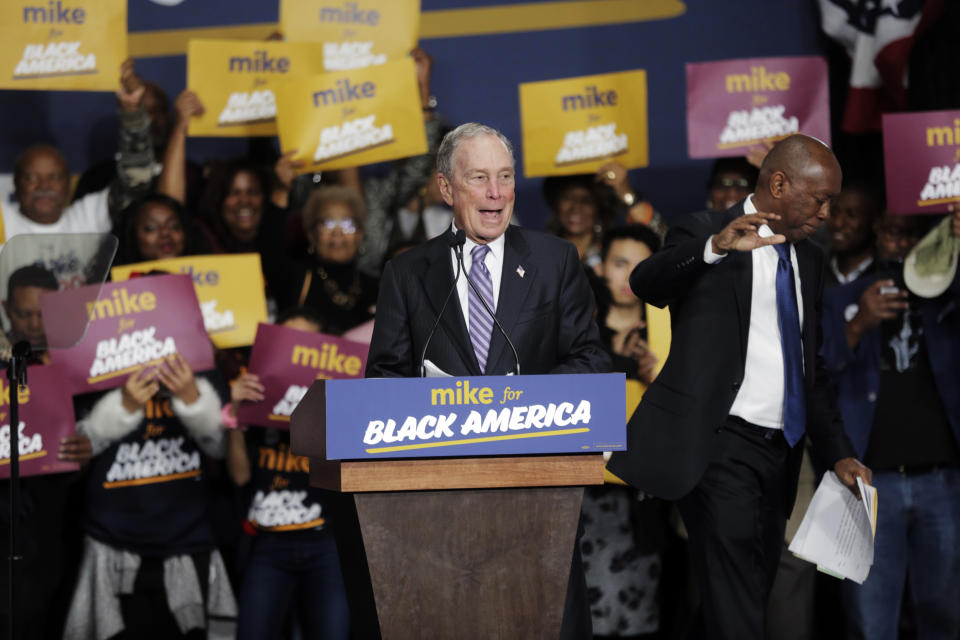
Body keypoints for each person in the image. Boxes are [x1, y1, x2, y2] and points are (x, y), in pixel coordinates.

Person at [607, 134, 872, 640]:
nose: (826, 213)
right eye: (819, 199)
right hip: (718, 443)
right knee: (738, 596)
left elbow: (811, 368)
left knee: (747, 588)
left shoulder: (810, 260)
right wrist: (713, 249)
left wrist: (838, 452)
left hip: (783, 452)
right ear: (779, 183)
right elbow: (647, 283)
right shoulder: (704, 230)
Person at [366, 122, 610, 638]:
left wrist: (514, 403)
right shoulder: (407, 274)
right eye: (479, 178)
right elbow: (382, 381)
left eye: (505, 177)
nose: (496, 193)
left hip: (538, 498)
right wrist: (437, 405)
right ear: (447, 188)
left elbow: (590, 361)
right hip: (441, 508)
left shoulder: (553, 260)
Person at [821, 208, 960, 640]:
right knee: (870, 618)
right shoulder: (844, 298)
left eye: (908, 233)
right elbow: (817, 378)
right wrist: (859, 323)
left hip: (942, 480)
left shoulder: (947, 292)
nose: (897, 243)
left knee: (944, 613)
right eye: (889, 232)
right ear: (875, 233)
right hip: (870, 485)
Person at [64, 355, 236, 639]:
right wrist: (122, 408)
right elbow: (72, 452)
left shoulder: (199, 358)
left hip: (188, 541)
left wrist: (193, 400)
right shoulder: (93, 358)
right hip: (111, 544)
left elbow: (222, 451)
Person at [227, 307, 349, 640]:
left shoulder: (342, 397)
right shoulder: (256, 398)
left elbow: (350, 475)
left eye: (304, 340)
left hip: (327, 544)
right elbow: (239, 477)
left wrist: (333, 406)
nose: (296, 349)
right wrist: (236, 416)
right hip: (268, 545)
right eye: (286, 341)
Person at [582, 224, 665, 638]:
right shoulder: (578, 340)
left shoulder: (671, 339)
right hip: (588, 496)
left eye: (642, 265)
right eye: (620, 263)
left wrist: (662, 379)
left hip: (647, 499)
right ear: (601, 268)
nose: (630, 275)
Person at [277, 186, 378, 335]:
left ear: (360, 235)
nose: (337, 232)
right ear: (312, 235)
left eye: (348, 224)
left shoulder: (378, 287)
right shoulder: (295, 279)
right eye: (327, 223)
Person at [113, 193, 206, 265]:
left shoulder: (212, 278)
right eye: (151, 228)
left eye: (174, 226)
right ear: (131, 237)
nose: (165, 232)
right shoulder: (112, 287)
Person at [825, 182, 882, 287]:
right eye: (834, 213)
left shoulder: (885, 276)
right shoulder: (814, 268)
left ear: (875, 222)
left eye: (851, 215)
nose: (838, 223)